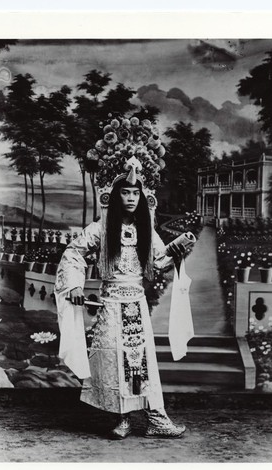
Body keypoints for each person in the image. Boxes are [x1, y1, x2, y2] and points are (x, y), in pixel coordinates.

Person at [54, 116, 194, 439]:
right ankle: (124, 418)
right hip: (110, 304)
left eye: (135, 193)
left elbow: (158, 261)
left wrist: (178, 247)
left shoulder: (146, 230)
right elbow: (74, 253)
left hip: (136, 303)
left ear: (142, 197)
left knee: (141, 361)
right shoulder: (102, 229)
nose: (131, 198)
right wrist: (74, 284)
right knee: (115, 359)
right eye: (125, 192)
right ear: (115, 195)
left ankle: (157, 419)